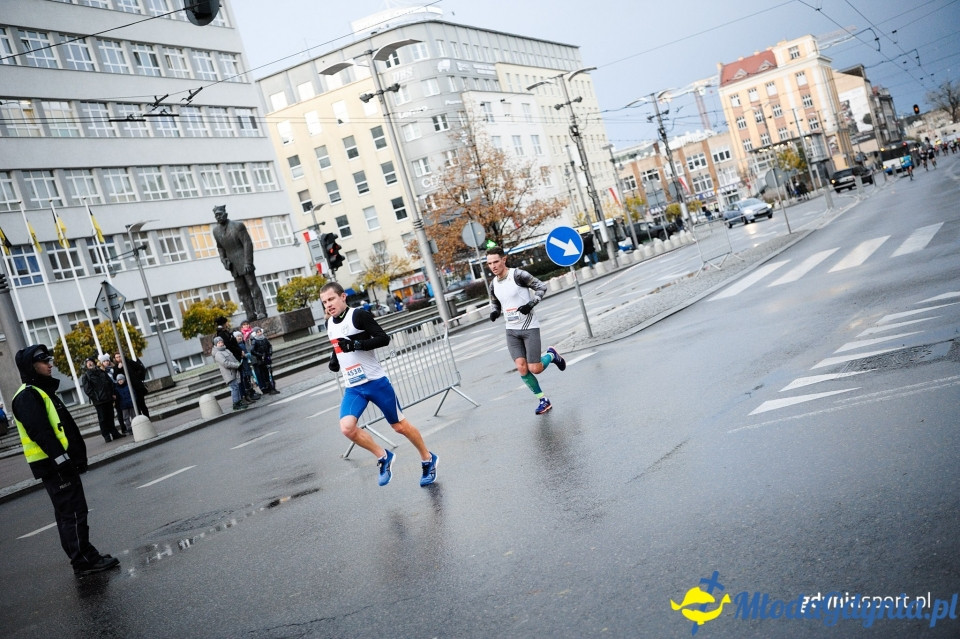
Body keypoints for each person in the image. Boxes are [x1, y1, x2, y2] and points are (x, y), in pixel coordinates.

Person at [12, 344, 120, 576]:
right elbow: (41, 433)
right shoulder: (28, 395)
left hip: (60, 464)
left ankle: (85, 555)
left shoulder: (41, 391)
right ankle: (83, 561)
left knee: (71, 513)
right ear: (31, 366)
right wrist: (62, 460)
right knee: (72, 514)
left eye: (48, 360)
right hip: (55, 467)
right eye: (43, 361)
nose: (50, 364)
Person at [321, 282, 438, 487]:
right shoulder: (330, 323)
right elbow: (339, 343)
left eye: (331, 299)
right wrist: (334, 358)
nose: (328, 305)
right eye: (324, 302)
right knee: (347, 428)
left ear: (342, 297)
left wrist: (357, 345)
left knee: (399, 426)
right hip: (354, 387)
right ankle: (383, 456)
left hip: (375, 382)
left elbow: (384, 338)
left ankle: (428, 459)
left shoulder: (358, 316)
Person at [486, 246, 566, 415]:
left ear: (503, 260)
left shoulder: (518, 275)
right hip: (511, 331)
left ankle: (551, 355)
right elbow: (495, 301)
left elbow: (541, 287)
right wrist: (494, 311)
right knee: (522, 368)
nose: (493, 266)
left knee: (535, 368)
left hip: (529, 327)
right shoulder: (493, 283)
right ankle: (543, 400)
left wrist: (531, 303)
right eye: (489, 263)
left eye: (495, 262)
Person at [211, 204, 267, 320]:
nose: (218, 217)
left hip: (244, 260)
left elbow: (247, 243)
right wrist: (223, 260)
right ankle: (250, 313)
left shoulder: (238, 226)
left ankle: (261, 311)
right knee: (241, 289)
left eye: (220, 214)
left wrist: (248, 262)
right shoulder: (215, 231)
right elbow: (220, 247)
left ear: (225, 214)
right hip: (233, 265)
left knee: (252, 285)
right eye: (216, 215)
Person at [216, 316, 259, 402]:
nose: (228, 324)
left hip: (237, 355)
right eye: (226, 322)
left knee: (243, 377)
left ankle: (247, 394)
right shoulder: (221, 334)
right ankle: (243, 396)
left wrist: (240, 351)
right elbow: (230, 346)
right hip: (234, 357)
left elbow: (234, 344)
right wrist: (239, 352)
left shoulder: (226, 332)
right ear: (224, 323)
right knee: (240, 378)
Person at [81, 355, 124, 441]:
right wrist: (96, 397)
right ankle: (106, 436)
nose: (89, 364)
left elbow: (110, 382)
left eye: (90, 362)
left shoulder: (101, 371)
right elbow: (88, 390)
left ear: (94, 363)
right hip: (99, 402)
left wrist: (112, 393)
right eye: (87, 363)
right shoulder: (86, 376)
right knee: (103, 419)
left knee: (110, 417)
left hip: (108, 398)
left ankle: (114, 433)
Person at [111, 351, 150, 419]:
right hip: (127, 390)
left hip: (136, 387)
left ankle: (147, 418)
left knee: (142, 404)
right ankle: (140, 420)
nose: (118, 358)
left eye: (119, 356)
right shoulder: (116, 367)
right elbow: (115, 377)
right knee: (135, 407)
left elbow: (140, 369)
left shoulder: (129, 362)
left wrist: (136, 376)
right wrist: (118, 368)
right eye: (116, 357)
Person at [212, 336, 246, 411]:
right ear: (215, 345)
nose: (221, 344)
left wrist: (238, 364)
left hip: (234, 372)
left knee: (237, 387)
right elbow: (225, 363)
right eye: (218, 343)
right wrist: (237, 365)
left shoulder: (226, 350)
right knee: (234, 388)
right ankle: (236, 403)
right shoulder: (218, 354)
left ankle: (239, 402)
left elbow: (233, 359)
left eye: (221, 342)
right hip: (229, 374)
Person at [249, 327, 279, 394]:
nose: (259, 333)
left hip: (267, 358)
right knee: (265, 374)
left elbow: (269, 346)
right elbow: (252, 350)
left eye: (260, 331)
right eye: (258, 332)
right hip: (260, 360)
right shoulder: (254, 340)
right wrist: (260, 355)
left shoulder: (264, 339)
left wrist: (270, 352)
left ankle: (272, 387)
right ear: (255, 334)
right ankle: (268, 388)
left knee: (269, 372)